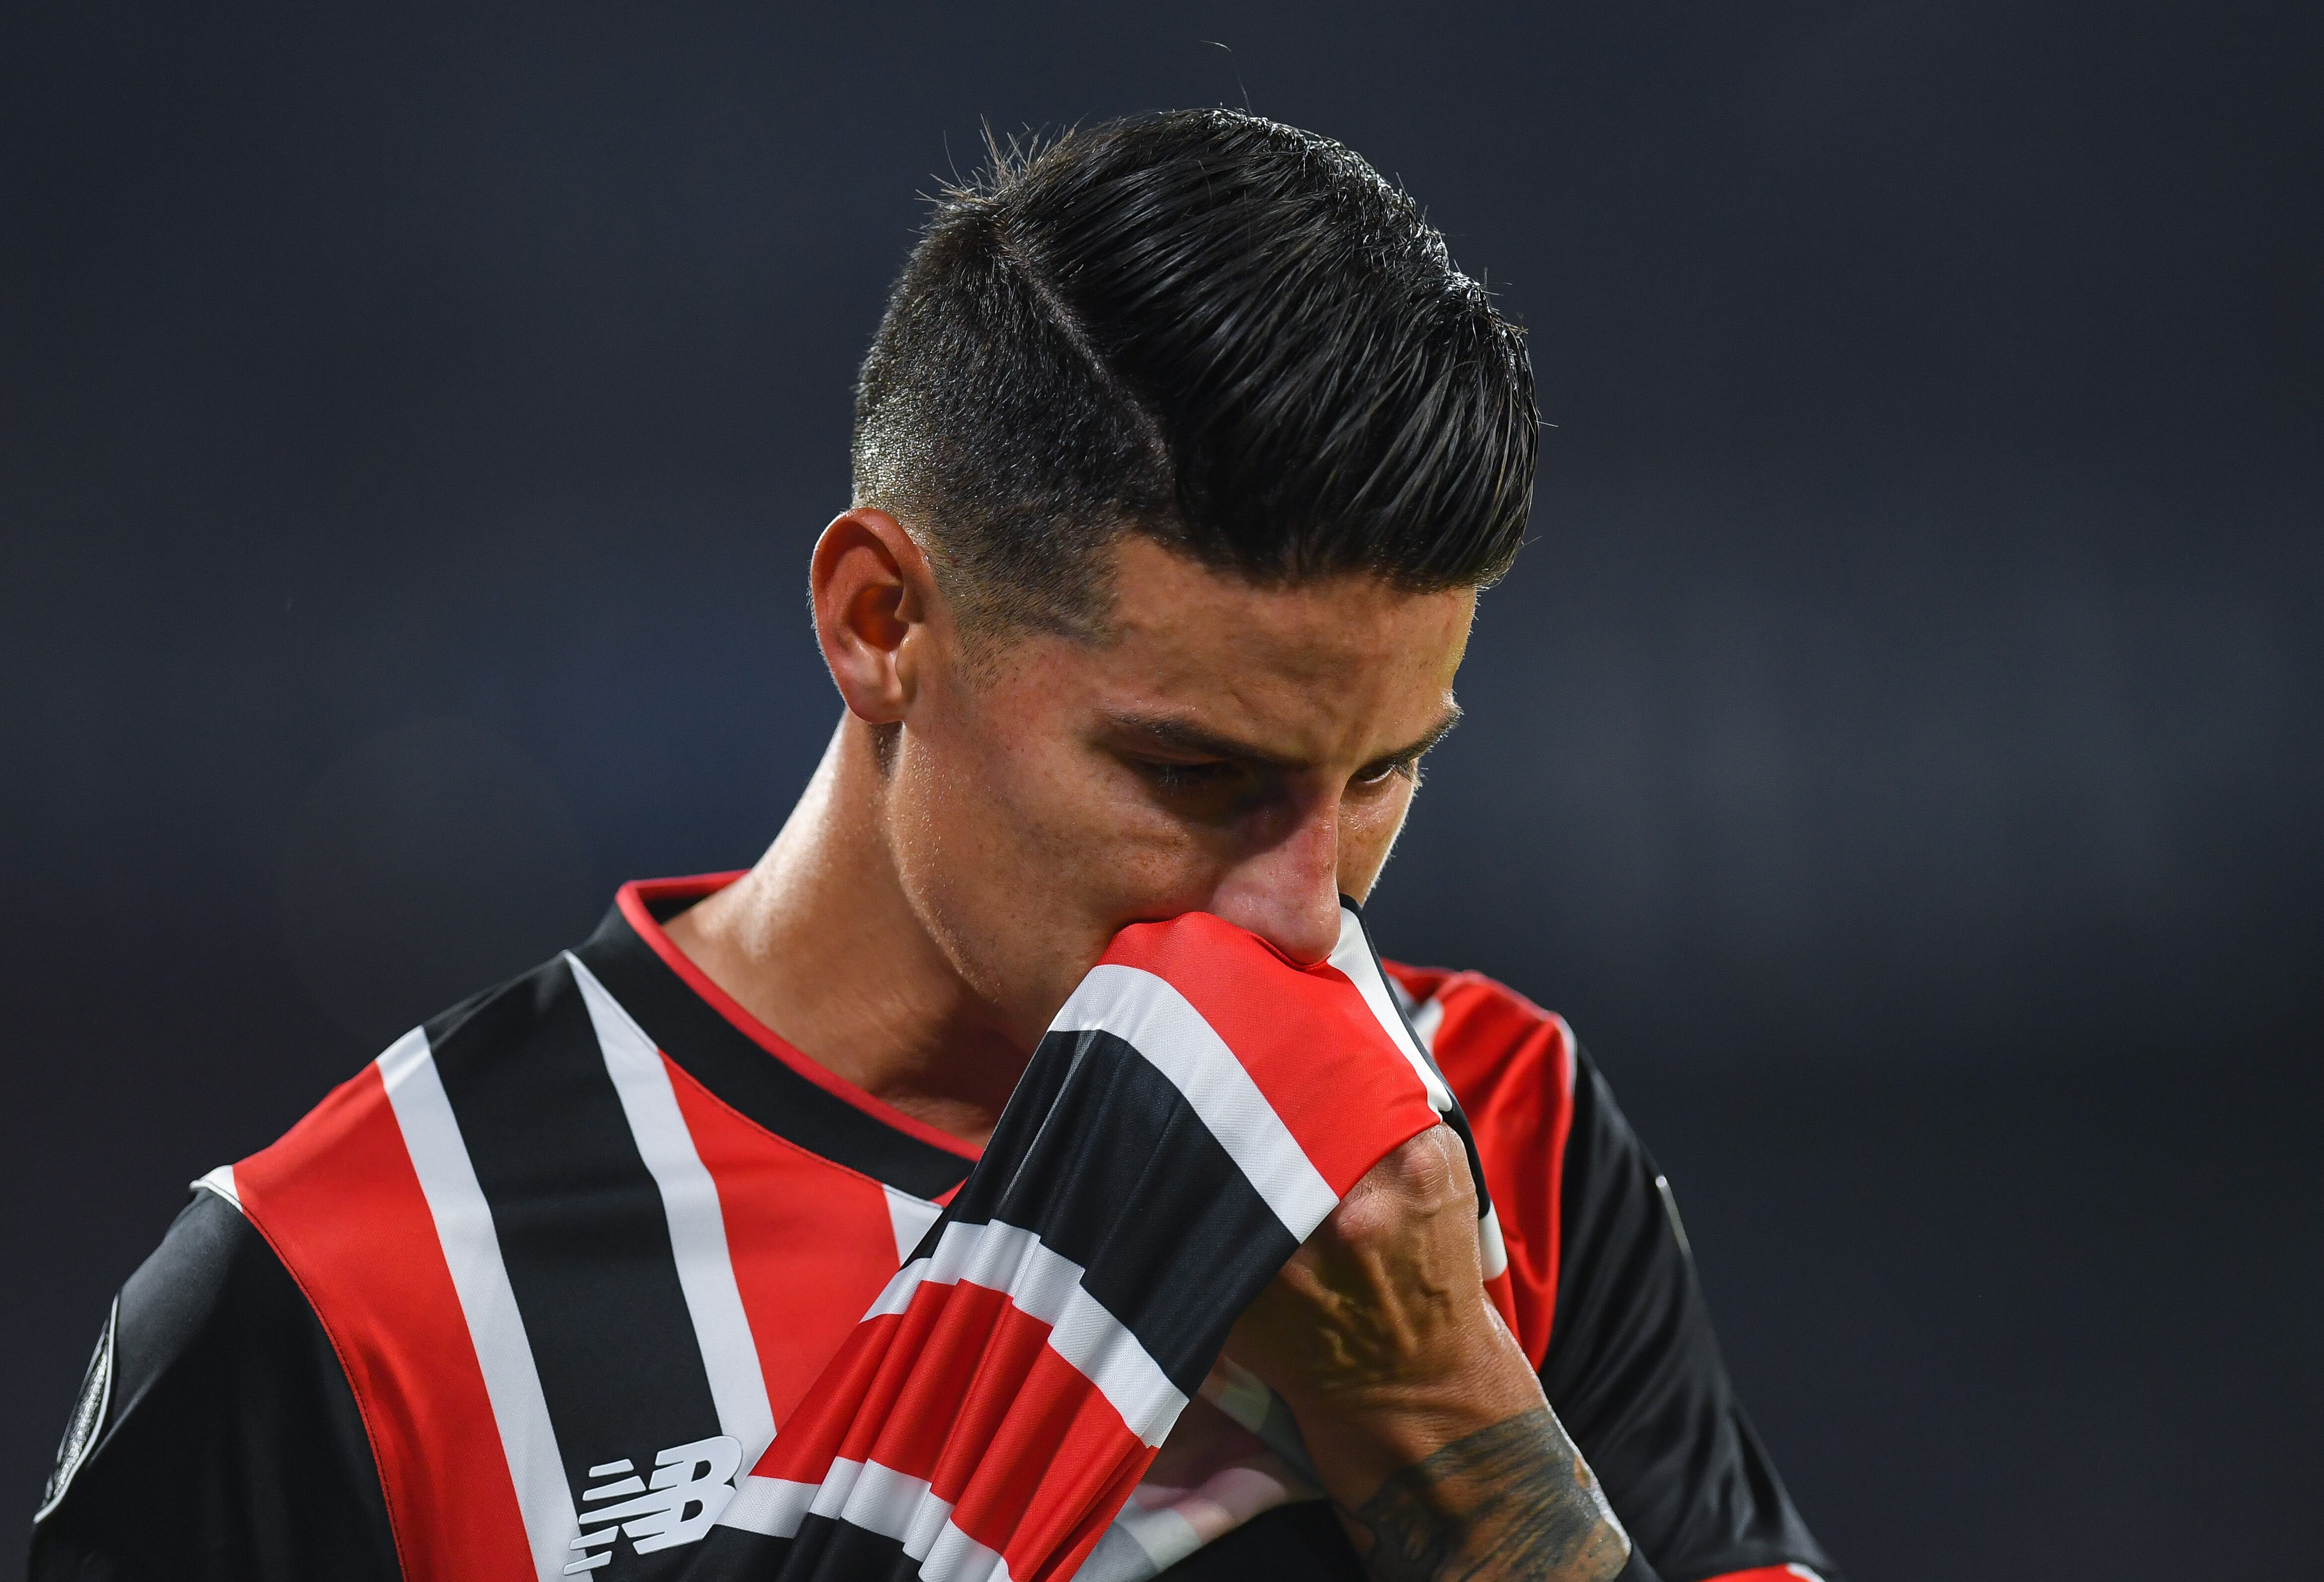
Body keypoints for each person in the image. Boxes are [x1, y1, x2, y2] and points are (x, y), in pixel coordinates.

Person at [30, 110, 1838, 1582]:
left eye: (1377, 777)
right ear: (881, 622)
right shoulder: (342, 1295)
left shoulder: (1496, 1137)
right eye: (1194, 774)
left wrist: (1445, 1415)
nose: (1305, 914)